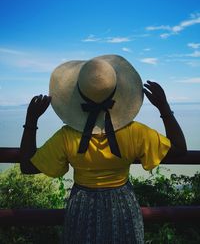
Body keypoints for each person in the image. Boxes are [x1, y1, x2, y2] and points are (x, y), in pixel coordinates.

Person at [20, 55, 187, 244]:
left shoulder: (67, 136)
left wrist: (31, 121)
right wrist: (164, 107)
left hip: (82, 207)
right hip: (123, 207)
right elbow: (180, 149)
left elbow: (27, 166)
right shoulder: (135, 132)